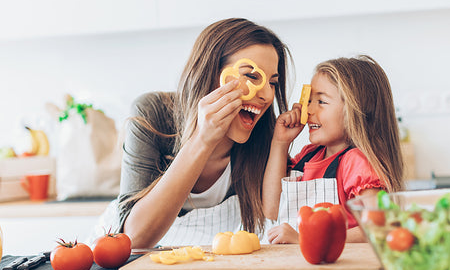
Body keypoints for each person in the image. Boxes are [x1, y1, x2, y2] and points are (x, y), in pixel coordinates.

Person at [116, 18, 291, 248]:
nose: (267, 95)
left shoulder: (266, 138)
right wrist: (202, 139)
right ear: (211, 73)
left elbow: (276, 217)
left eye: (273, 83)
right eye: (251, 76)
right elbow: (134, 240)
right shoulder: (153, 112)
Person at [262, 55, 404, 244]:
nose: (308, 110)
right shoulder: (308, 156)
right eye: (309, 101)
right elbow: (272, 210)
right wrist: (280, 143)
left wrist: (307, 239)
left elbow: (379, 227)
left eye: (321, 101)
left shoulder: (356, 162)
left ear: (355, 112)